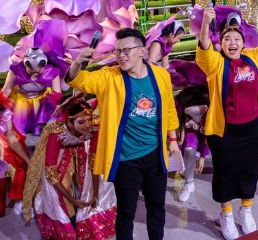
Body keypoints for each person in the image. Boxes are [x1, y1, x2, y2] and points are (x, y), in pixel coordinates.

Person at [67, 27, 180, 240]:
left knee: (157, 207)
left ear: (142, 51)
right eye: (118, 51)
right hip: (126, 160)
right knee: (126, 212)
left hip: (155, 155)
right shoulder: (109, 77)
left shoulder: (161, 76)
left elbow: (169, 109)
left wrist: (172, 139)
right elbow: (78, 81)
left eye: (126, 50)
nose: (121, 56)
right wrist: (77, 63)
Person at [196, 5, 258, 239]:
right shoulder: (215, 62)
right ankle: (226, 214)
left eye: (237, 38)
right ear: (221, 44)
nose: (233, 42)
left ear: (243, 43)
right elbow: (204, 46)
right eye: (227, 38)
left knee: (249, 169)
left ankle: (245, 209)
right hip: (225, 130)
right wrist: (206, 22)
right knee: (225, 171)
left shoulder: (251, 57)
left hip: (252, 128)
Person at [22, 94, 117, 240]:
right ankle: (70, 224)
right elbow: (50, 170)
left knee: (91, 184)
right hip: (60, 154)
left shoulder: (94, 126)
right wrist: (72, 200)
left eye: (89, 119)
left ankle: (87, 221)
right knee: (60, 190)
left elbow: (93, 162)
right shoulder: (56, 131)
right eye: (81, 122)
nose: (87, 125)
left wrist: (95, 193)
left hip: (82, 150)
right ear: (69, 121)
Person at [1, 47, 62, 136]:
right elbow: (7, 88)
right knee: (16, 129)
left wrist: (59, 107)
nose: (34, 75)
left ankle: (40, 126)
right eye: (30, 72)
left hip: (42, 99)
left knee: (50, 102)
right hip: (22, 98)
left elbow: (57, 93)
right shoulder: (16, 69)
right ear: (25, 65)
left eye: (38, 72)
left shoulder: (52, 71)